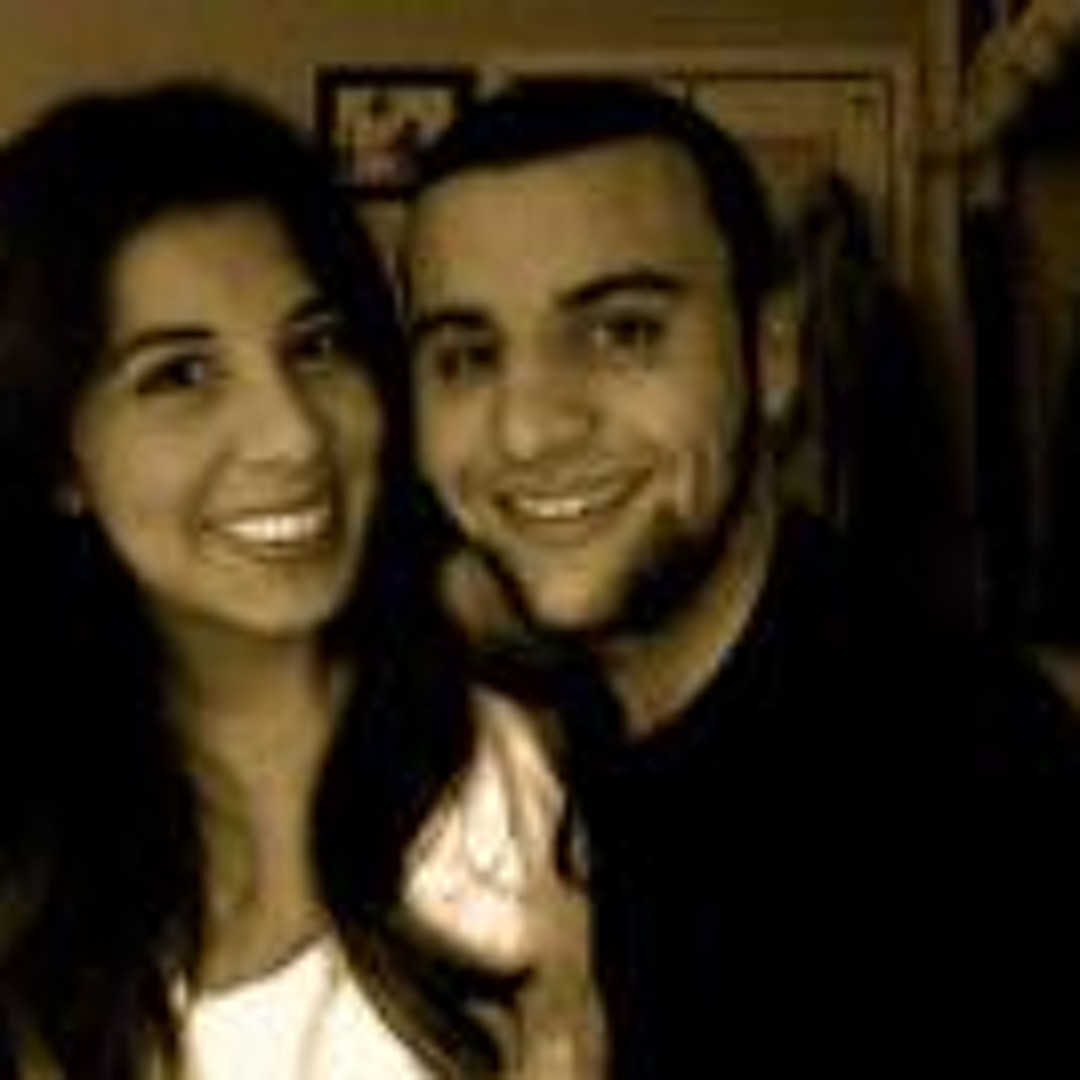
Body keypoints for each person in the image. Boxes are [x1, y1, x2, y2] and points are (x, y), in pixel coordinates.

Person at [401, 76, 1080, 1075]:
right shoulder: (486, 726)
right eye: (467, 356)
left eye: (622, 331)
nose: (530, 429)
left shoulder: (968, 791)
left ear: (773, 355)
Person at [0, 81, 604, 1079]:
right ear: (60, 456)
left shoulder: (525, 771)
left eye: (317, 347)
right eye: (180, 375)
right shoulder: (34, 853)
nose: (292, 436)